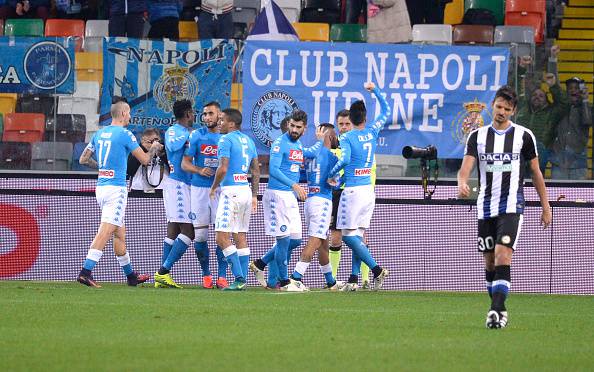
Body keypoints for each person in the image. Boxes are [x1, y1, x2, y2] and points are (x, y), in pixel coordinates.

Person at [458, 85, 552, 329]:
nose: (501, 112)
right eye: (498, 106)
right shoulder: (477, 137)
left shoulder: (524, 136)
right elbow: (466, 167)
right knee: (489, 262)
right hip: (485, 207)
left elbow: (535, 172)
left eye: (506, 109)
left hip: (512, 205)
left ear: (513, 111)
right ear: (493, 105)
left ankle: (496, 310)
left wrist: (546, 206)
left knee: (503, 254)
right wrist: (461, 182)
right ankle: (498, 306)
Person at [77, 101, 161, 288]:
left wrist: (104, 168)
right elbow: (146, 160)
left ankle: (131, 276)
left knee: (119, 234)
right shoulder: (125, 134)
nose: (130, 116)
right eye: (129, 113)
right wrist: (154, 147)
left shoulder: (99, 133)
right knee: (106, 231)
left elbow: (83, 159)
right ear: (123, 113)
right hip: (116, 190)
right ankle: (85, 272)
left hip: (102, 187)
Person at [249, 110, 326, 291]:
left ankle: (260, 263)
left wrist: (321, 140)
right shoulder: (279, 143)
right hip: (277, 195)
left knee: (296, 240)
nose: (294, 129)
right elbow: (274, 170)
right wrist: (294, 185)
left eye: (298, 127)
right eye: (292, 125)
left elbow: (310, 153)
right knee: (283, 241)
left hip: (290, 197)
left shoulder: (298, 145)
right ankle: (284, 283)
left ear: (304, 129)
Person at [327, 82, 390, 291]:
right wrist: (376, 91)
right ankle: (354, 279)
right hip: (368, 191)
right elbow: (387, 110)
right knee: (358, 236)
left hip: (353, 192)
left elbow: (344, 160)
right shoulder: (372, 131)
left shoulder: (346, 137)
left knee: (347, 236)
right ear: (365, 117)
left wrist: (332, 174)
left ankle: (377, 269)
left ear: (350, 120)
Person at [289, 123, 345, 290]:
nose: (336, 138)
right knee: (315, 241)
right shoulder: (332, 157)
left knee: (323, 243)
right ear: (329, 136)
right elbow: (335, 183)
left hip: (310, 200)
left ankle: (331, 282)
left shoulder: (310, 154)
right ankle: (296, 277)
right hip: (323, 202)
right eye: (334, 135)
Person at [209, 108, 260, 291]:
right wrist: (254, 195)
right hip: (245, 191)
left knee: (221, 237)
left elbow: (223, 169)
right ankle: (243, 280)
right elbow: (255, 170)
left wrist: (214, 187)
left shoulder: (225, 139)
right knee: (240, 235)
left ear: (231, 123)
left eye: (222, 120)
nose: (219, 123)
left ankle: (239, 278)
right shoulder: (248, 141)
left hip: (231, 192)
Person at [181, 101, 230, 289]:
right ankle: (206, 275)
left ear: (220, 115)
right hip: (199, 190)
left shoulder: (227, 138)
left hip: (221, 191)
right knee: (200, 237)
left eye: (210, 113)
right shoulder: (197, 136)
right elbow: (185, 163)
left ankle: (222, 276)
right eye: (205, 114)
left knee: (222, 235)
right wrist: (199, 169)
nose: (207, 117)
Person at [328, 109, 374, 290]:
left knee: (360, 236)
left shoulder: (359, 145)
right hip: (338, 194)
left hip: (357, 193)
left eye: (347, 124)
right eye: (341, 124)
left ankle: (365, 277)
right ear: (337, 126)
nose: (344, 127)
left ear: (352, 124)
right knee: (336, 237)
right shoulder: (334, 147)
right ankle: (333, 280)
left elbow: (370, 170)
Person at [154, 99, 195, 288]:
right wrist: (190, 136)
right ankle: (163, 271)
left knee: (174, 229)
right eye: (193, 112)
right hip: (177, 185)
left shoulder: (188, 133)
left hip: (183, 185)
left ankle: (162, 275)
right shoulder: (174, 131)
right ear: (187, 114)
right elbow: (171, 145)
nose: (194, 116)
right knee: (189, 231)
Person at [550, 78, 592, 180]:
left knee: (578, 195)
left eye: (576, 88)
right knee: (557, 194)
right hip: (559, 161)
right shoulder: (561, 107)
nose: (573, 90)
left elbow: (588, 121)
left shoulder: (587, 107)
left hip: (578, 162)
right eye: (570, 88)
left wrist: (585, 100)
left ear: (581, 91)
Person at [127, 128, 169, 193]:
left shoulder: (166, 151)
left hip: (163, 190)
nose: (153, 144)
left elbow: (173, 169)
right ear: (142, 141)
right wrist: (144, 149)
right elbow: (130, 171)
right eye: (149, 141)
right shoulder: (137, 151)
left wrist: (162, 154)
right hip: (139, 190)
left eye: (155, 140)